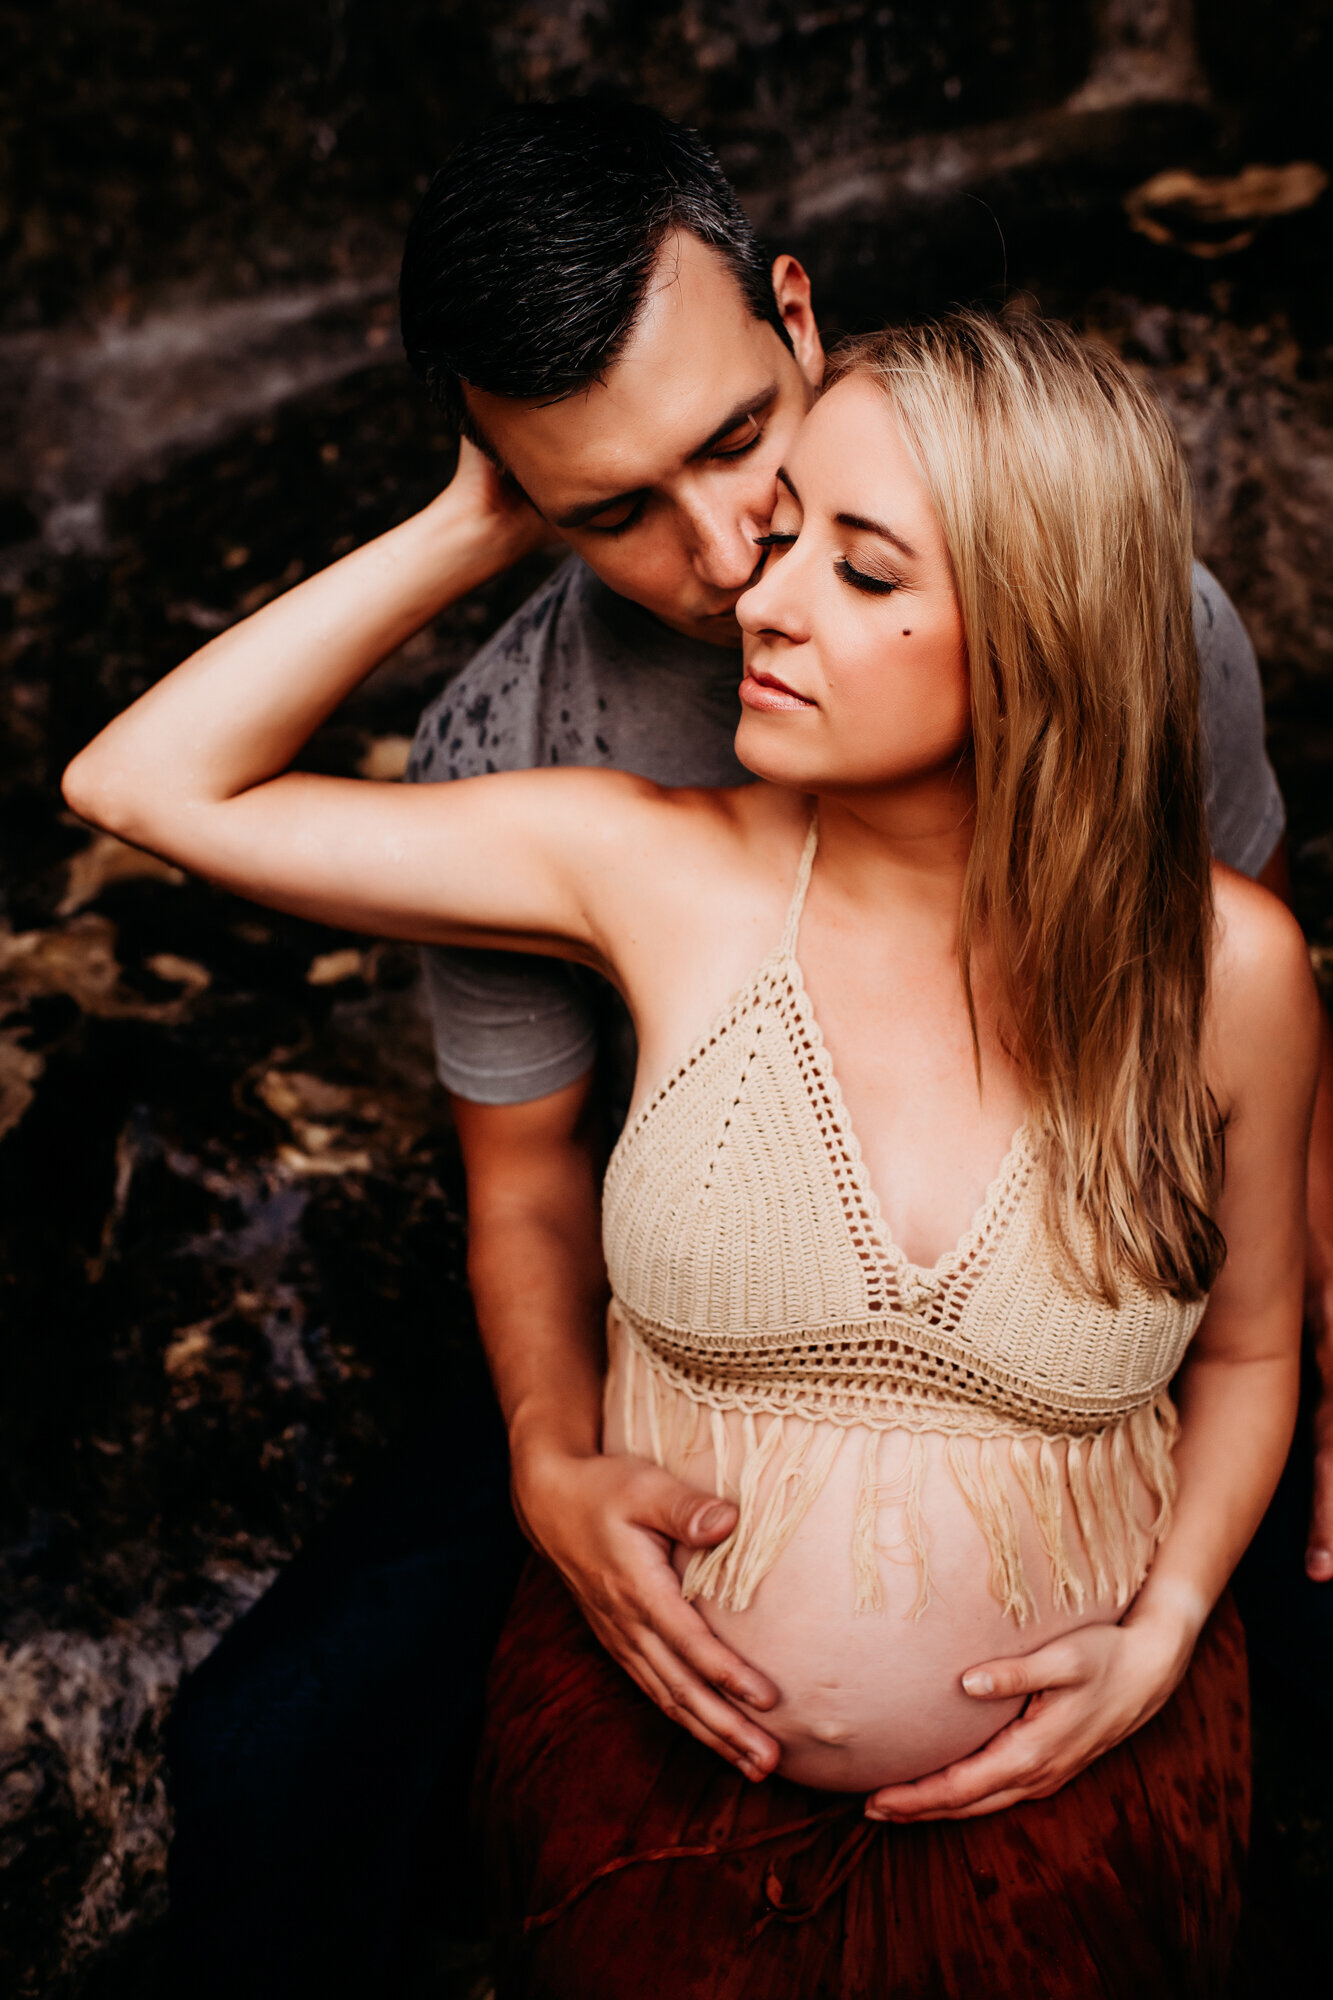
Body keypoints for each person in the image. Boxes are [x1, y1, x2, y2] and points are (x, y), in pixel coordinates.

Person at [155, 102, 1333, 1994]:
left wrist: (1304, 1363)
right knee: (277, 1761)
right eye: (605, 503)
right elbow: (527, 1179)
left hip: (1079, 1297)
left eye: (734, 445)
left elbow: (1240, 1039)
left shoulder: (1120, 608)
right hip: (693, 1275)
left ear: (798, 317)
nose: (726, 563)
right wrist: (551, 1450)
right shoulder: (527, 745)